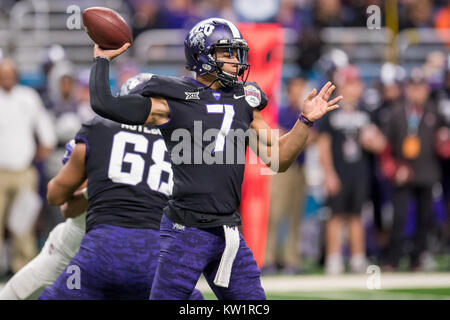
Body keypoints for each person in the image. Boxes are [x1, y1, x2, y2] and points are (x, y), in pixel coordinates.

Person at [88, 17, 341, 299]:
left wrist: (304, 121)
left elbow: (279, 159)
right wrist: (101, 60)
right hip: (186, 231)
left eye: (237, 53)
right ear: (201, 56)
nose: (236, 61)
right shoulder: (173, 100)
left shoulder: (244, 101)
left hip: (228, 232)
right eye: (227, 53)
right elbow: (104, 103)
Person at [0, 74, 201, 300]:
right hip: (151, 244)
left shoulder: (100, 128)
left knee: (26, 289)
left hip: (93, 236)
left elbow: (61, 201)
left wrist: (97, 189)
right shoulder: (185, 142)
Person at [317, 65, 386, 274]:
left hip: (359, 171)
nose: (353, 88)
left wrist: (371, 141)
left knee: (357, 216)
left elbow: (381, 144)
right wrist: (328, 174)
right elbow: (323, 144)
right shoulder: (331, 110)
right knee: (335, 216)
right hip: (338, 170)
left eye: (355, 83)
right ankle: (333, 258)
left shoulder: (366, 112)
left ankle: (357, 257)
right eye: (349, 83)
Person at [383, 68, 445, 271]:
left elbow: (443, 139)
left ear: (426, 89)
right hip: (403, 172)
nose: (417, 92)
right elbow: (386, 145)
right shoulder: (396, 113)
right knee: (399, 217)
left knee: (424, 218)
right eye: (413, 88)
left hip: (427, 171)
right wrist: (393, 168)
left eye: (420, 88)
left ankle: (417, 259)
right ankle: (393, 259)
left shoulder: (435, 112)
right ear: (407, 90)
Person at [0, 58, 57, 275]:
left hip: (24, 171)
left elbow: (46, 132)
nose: (6, 77)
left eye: (9, 73)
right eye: (2, 73)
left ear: (16, 74)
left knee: (23, 225)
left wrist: (39, 156)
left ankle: (22, 271)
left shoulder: (28, 97)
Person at [263, 77, 310, 275]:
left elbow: (310, 139)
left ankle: (291, 259)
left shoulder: (306, 113)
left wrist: (294, 137)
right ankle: (268, 258)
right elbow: (279, 138)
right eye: (295, 89)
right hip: (281, 168)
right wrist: (297, 137)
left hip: (300, 167)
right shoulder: (281, 112)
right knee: (274, 214)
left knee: (295, 215)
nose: (298, 93)